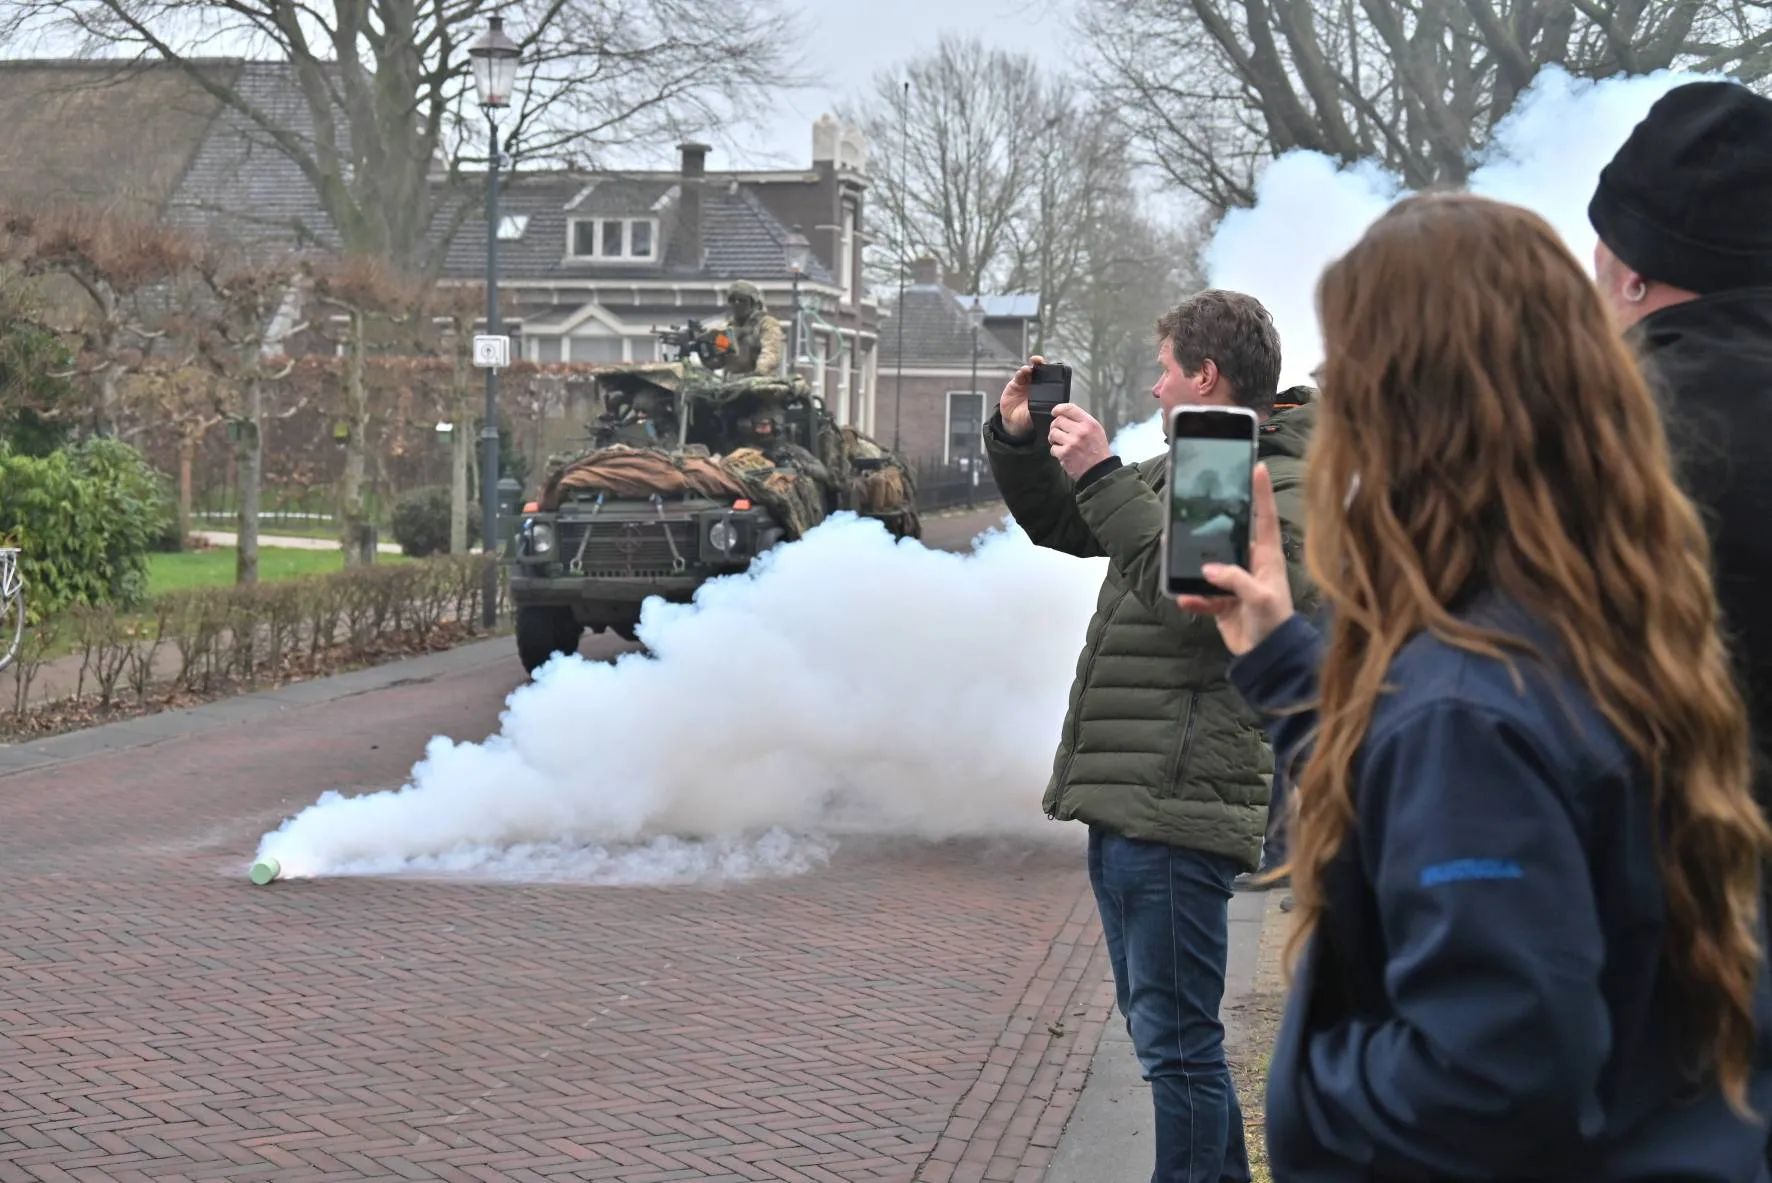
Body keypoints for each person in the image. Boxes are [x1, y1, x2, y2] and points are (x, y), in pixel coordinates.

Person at [1182, 192, 1772, 1180]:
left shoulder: (1463, 701)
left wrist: (1307, 1087)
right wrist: (1277, 652)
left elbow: (1491, 1076)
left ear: (1402, 416)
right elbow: (1446, 798)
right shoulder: (1610, 617)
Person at [983, 289, 1315, 1183]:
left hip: (1175, 798)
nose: (1153, 385)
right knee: (1170, 1040)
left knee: (1178, 1049)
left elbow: (1192, 607)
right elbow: (1068, 524)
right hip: (1141, 797)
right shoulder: (1206, 461)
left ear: (1205, 375)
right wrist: (1024, 442)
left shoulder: (1253, 472)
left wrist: (1101, 472)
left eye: (1164, 368)